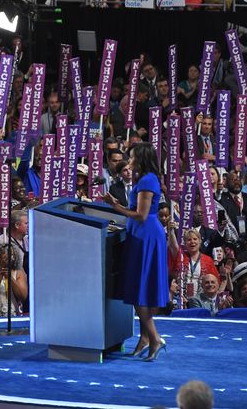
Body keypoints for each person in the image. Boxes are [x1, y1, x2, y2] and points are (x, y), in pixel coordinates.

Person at [103, 142, 168, 360]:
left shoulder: (148, 180)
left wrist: (115, 206)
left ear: (140, 158)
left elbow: (141, 214)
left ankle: (155, 338)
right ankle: (145, 339)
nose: (128, 161)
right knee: (139, 288)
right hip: (140, 234)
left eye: (131, 157)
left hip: (146, 235)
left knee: (140, 291)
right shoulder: (144, 179)